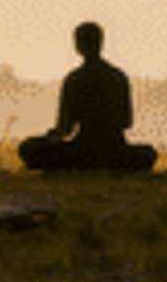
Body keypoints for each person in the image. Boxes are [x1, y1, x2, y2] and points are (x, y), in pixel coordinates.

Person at [19, 22, 157, 172]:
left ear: (78, 46)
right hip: (115, 151)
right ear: (101, 43)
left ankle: (73, 165)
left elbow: (65, 128)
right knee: (148, 153)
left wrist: (47, 138)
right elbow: (127, 122)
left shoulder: (75, 79)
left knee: (28, 148)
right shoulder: (118, 77)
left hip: (82, 151)